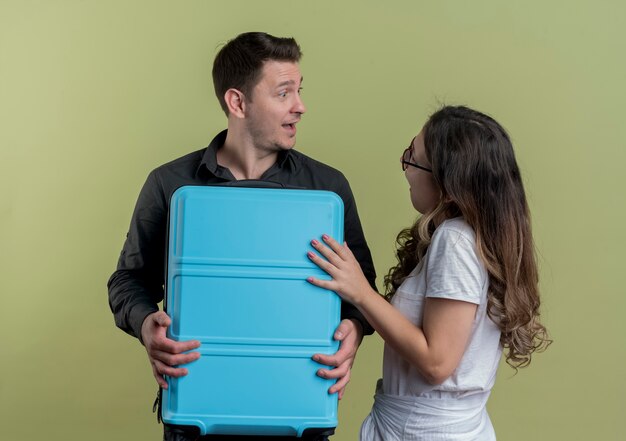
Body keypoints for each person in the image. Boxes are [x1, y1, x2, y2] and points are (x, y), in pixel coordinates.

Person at [107, 32, 377, 441]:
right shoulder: (169, 184)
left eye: (299, 91)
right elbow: (128, 280)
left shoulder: (327, 188)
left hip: (299, 412)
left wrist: (353, 333)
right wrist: (146, 325)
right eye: (284, 93)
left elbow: (364, 290)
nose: (300, 106)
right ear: (237, 102)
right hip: (196, 416)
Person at [307, 105, 551, 440]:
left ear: (449, 184)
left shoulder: (455, 241)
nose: (405, 168)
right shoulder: (470, 239)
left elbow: (437, 362)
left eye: (413, 158)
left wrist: (360, 292)